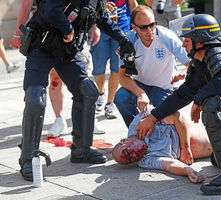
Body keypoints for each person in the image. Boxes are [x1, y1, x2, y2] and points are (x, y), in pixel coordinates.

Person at [136, 14, 221, 195]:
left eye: (187, 39)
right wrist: (153, 118)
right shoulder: (201, 62)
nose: (183, 44)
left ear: (200, 40)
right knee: (220, 158)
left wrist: (198, 100)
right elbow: (182, 95)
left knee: (213, 104)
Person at [18, 0, 135, 181]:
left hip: (67, 51)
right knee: (35, 100)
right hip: (41, 46)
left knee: (88, 91)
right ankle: (28, 159)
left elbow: (102, 19)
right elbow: (51, 10)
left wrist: (123, 39)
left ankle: (81, 149)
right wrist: (68, 30)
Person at [10, 0, 105, 137]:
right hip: (48, 34)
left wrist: (94, 25)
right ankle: (59, 120)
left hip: (77, 34)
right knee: (52, 81)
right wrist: (18, 32)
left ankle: (89, 119)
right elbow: (26, 4)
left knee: (85, 81)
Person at [114, 5, 190, 127]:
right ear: (134, 27)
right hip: (140, 84)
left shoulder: (167, 37)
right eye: (144, 27)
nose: (150, 31)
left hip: (164, 87)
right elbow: (122, 77)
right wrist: (140, 93)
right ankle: (136, 130)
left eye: (152, 25)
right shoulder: (128, 41)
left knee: (170, 121)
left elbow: (192, 63)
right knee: (120, 98)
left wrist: (185, 73)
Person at [112, 111, 212, 183]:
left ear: (124, 141)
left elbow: (177, 116)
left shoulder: (138, 123)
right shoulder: (145, 161)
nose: (134, 156)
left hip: (202, 127)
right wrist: (188, 171)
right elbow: (168, 165)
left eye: (128, 153)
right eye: (131, 160)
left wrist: (185, 148)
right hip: (212, 147)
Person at [91, 0, 138, 119]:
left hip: (121, 31)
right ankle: (101, 92)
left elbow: (133, 5)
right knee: (98, 69)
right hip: (101, 30)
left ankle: (110, 103)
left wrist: (136, 25)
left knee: (116, 69)